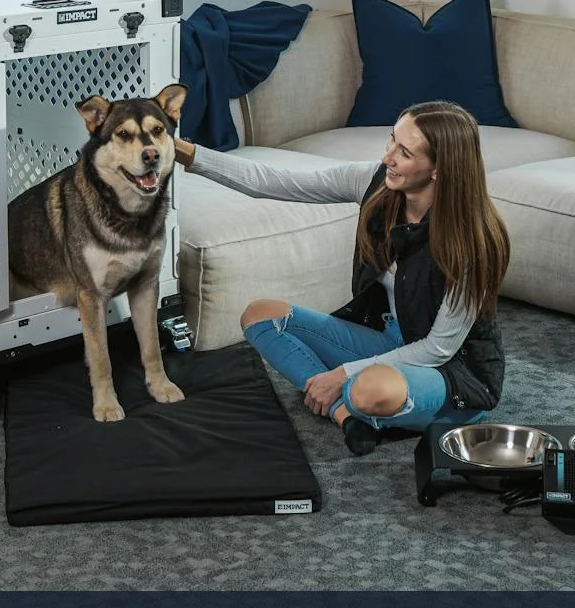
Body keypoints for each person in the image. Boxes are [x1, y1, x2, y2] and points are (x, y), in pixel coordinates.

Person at [174, 101, 510, 455]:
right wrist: (182, 152)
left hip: (449, 371)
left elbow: (438, 348)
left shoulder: (473, 242)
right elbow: (273, 182)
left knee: (368, 389)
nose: (387, 158)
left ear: (439, 169)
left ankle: (350, 398)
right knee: (262, 316)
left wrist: (341, 373)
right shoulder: (376, 183)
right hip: (389, 339)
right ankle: (345, 414)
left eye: (404, 153)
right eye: (391, 141)